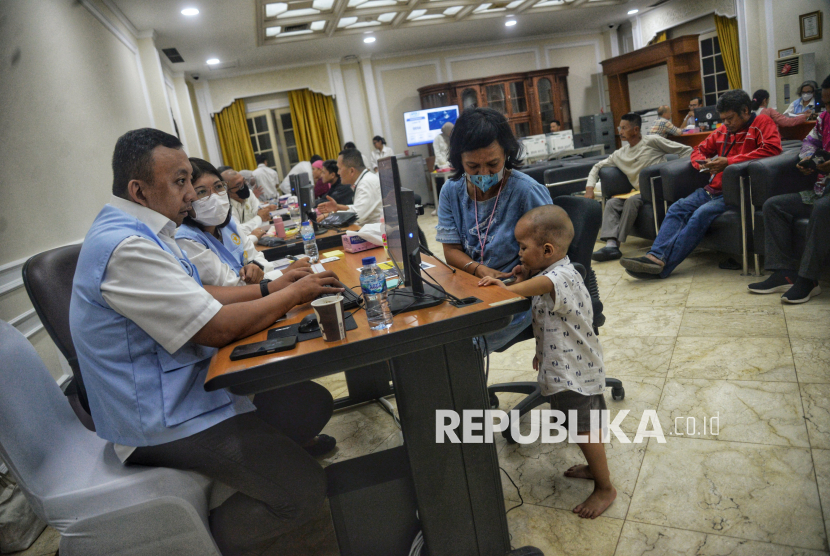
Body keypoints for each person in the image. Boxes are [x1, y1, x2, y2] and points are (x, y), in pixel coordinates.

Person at [69, 128, 343, 556]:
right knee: (304, 488)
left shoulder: (152, 232)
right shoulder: (125, 248)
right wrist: (295, 294)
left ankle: (255, 476)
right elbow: (213, 327)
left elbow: (201, 297)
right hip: (161, 419)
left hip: (191, 390)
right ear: (139, 190)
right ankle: (199, 539)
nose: (191, 195)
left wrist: (273, 290)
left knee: (304, 402)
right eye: (180, 182)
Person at [478, 205, 616, 519]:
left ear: (548, 249)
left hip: (574, 372)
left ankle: (606, 487)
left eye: (523, 248)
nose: (519, 253)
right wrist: (525, 272)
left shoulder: (561, 276)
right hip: (568, 365)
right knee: (580, 424)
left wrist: (507, 287)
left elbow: (541, 288)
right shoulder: (549, 272)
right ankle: (595, 469)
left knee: (583, 429)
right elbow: (546, 314)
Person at [621, 90, 782, 279]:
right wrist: (703, 165)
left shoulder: (762, 123)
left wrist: (729, 162)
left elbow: (772, 150)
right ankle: (655, 257)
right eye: (723, 119)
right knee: (677, 208)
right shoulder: (723, 130)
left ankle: (662, 267)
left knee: (700, 214)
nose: (726, 123)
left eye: (730, 118)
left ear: (745, 110)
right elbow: (699, 150)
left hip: (738, 190)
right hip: (713, 188)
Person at [435, 107, 551, 351]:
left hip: (517, 294)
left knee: (459, 347)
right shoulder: (451, 191)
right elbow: (451, 250)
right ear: (459, 160)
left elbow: (553, 256)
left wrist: (525, 274)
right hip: (474, 288)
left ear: (506, 154)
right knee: (432, 330)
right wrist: (479, 270)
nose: (484, 174)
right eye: (472, 166)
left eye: (492, 164)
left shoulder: (525, 192)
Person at [748, 75, 830, 303]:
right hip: (821, 188)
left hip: (825, 199)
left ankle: (808, 279)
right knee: (774, 205)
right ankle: (783, 272)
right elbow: (809, 142)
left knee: (823, 208)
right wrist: (807, 160)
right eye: (825, 104)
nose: (827, 109)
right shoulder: (824, 119)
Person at [177, 157, 298, 286]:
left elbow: (258, 261)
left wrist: (260, 272)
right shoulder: (186, 240)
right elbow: (232, 286)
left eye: (218, 186)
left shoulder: (228, 225)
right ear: (187, 198)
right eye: (201, 192)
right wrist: (284, 273)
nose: (215, 197)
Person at [588, 113, 693, 262]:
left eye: (624, 128)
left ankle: (617, 243)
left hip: (657, 189)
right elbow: (597, 166)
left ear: (636, 130)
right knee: (612, 203)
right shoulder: (620, 154)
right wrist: (589, 188)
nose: (620, 131)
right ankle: (610, 246)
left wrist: (677, 175)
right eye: (620, 128)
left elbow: (686, 150)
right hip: (638, 191)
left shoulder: (652, 141)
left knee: (632, 201)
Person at [316, 149, 382, 225]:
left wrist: (331, 214)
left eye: (340, 169)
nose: (338, 173)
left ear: (351, 171)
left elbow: (356, 216)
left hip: (377, 232)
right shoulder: (364, 180)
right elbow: (357, 209)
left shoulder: (366, 183)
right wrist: (337, 207)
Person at [221, 167, 275, 238]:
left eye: (244, 181)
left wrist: (260, 217)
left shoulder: (249, 193)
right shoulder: (224, 206)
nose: (244, 186)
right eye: (238, 185)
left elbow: (263, 216)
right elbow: (237, 230)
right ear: (227, 190)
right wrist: (259, 218)